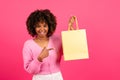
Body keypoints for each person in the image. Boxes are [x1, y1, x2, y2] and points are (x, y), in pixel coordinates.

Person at [22, 9, 76, 80]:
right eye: (38, 26)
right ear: (33, 27)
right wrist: (39, 58)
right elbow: (30, 70)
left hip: (57, 77)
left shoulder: (57, 39)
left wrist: (71, 31)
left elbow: (69, 50)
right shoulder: (28, 45)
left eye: (45, 26)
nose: (42, 29)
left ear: (49, 26)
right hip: (39, 78)